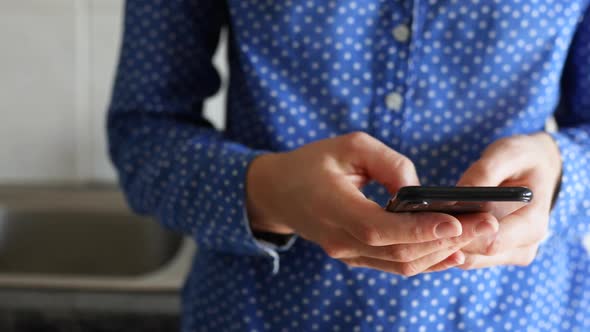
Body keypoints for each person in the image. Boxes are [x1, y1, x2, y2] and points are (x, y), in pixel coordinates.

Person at [107, 0, 590, 330]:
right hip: (260, 312)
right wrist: (269, 191)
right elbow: (143, 132)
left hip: (521, 311)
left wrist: (563, 173)